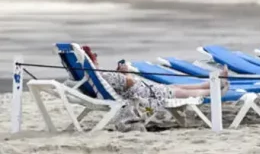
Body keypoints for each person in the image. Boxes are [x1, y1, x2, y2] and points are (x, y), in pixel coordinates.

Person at [81, 45, 228, 131]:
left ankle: (212, 83)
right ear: (93, 60)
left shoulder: (94, 77)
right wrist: (126, 73)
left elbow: (122, 85)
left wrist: (123, 75)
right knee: (180, 91)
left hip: (146, 91)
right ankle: (214, 90)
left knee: (176, 87)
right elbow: (129, 83)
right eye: (94, 55)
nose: (96, 57)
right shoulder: (104, 75)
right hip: (148, 95)